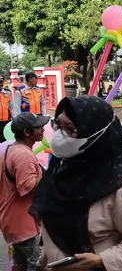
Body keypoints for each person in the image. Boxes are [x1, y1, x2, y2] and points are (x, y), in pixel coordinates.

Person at [29, 96, 122, 270]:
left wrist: (102, 260)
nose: (60, 135)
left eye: (70, 129)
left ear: (95, 134)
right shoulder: (59, 170)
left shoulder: (121, 186)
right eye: (58, 125)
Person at [0, 113, 47, 271]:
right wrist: (48, 174)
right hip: (24, 223)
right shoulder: (24, 155)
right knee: (37, 263)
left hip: (11, 220)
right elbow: (26, 188)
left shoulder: (10, 150)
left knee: (19, 263)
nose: (43, 130)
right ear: (27, 133)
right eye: (39, 127)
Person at [0, 78, 17, 142]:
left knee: (6, 139)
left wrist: (14, 119)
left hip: (6, 121)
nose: (0, 84)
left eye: (1, 82)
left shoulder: (7, 92)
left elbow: (13, 107)